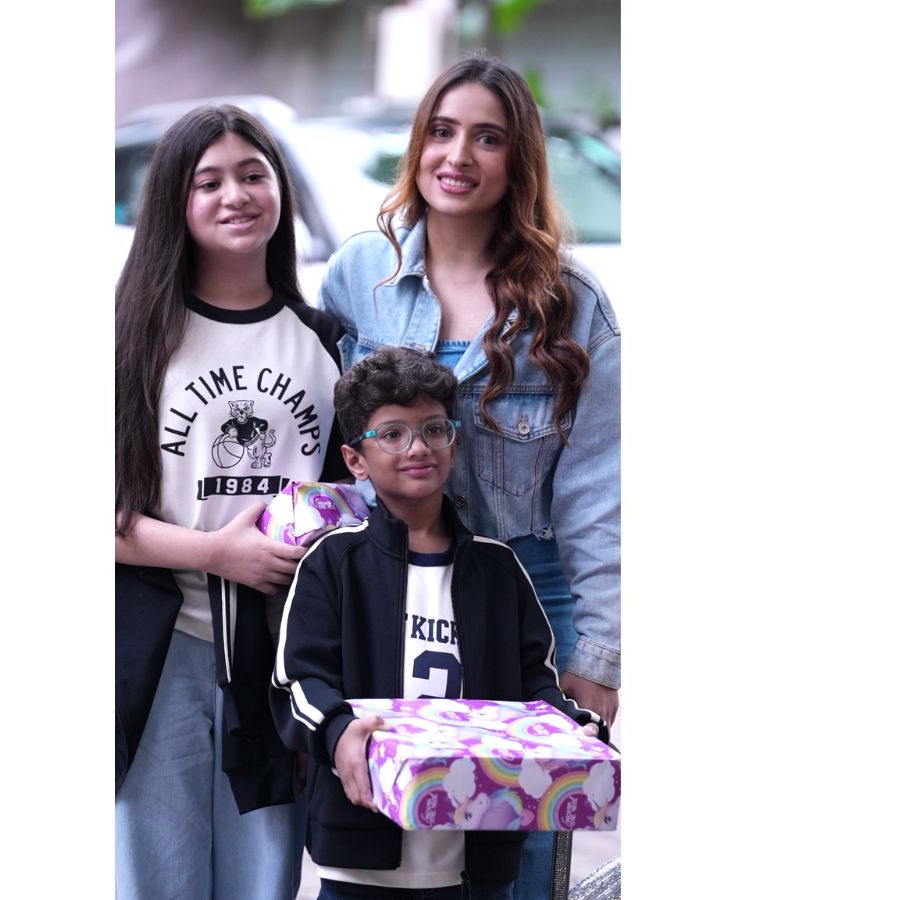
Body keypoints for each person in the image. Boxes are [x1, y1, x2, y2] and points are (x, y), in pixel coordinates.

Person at [316, 55, 621, 897]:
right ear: (418, 145)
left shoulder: (569, 303)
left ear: (518, 160)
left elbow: (600, 488)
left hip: (527, 611)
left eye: (488, 138)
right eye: (443, 132)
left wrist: (599, 654)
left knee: (514, 854)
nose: (458, 156)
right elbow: (328, 441)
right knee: (388, 848)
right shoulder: (358, 277)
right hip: (387, 600)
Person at [114, 104, 350, 900]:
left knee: (264, 879)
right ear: (174, 201)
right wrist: (217, 554)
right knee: (156, 877)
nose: (235, 195)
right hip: (160, 650)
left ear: (281, 188)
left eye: (253, 174)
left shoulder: (326, 341)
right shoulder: (134, 335)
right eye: (208, 181)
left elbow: (349, 499)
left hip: (280, 658)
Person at [271, 346, 608, 900]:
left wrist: (571, 724)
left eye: (433, 429)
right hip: (363, 856)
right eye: (392, 435)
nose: (418, 447)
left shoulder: (499, 569)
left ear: (454, 442)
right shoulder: (334, 563)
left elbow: (535, 684)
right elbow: (297, 681)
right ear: (355, 460)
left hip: (476, 859)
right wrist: (337, 732)